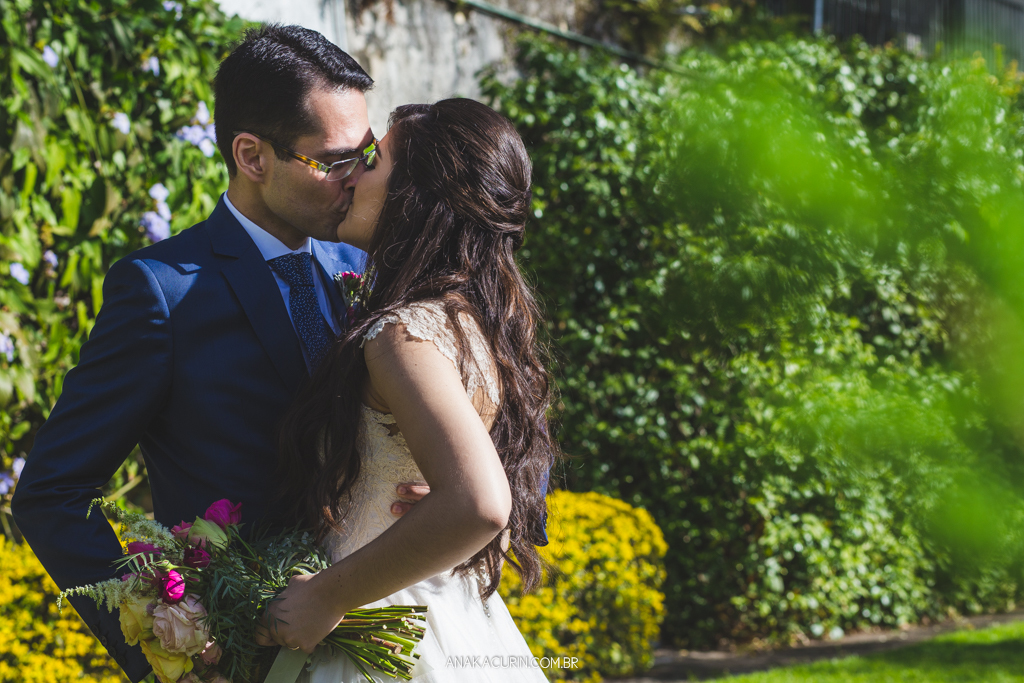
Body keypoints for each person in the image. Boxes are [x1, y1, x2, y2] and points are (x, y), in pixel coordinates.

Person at [11, 25, 428, 682]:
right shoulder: (164, 290)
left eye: (366, 151)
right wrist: (161, 641)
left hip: (396, 634)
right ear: (252, 156)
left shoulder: (365, 261)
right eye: (333, 160)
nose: (357, 178)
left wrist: (426, 474)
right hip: (250, 659)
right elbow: (51, 491)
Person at [259, 98, 556, 682]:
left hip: (386, 635)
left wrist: (324, 598)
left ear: (414, 198)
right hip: (454, 619)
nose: (350, 177)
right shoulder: (473, 320)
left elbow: (479, 503)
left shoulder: (401, 335)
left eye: (372, 162)